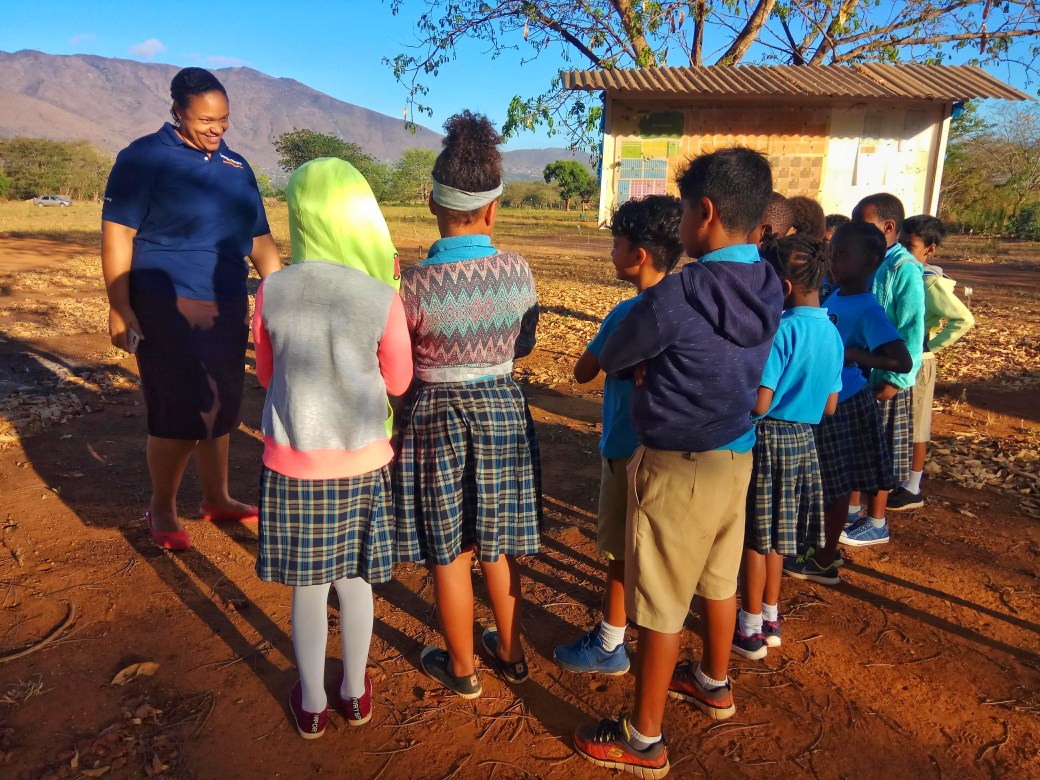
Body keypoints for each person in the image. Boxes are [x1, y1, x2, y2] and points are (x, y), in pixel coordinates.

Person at [572, 148, 782, 778]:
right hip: (735, 457)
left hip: (677, 465)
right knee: (719, 580)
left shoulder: (678, 296)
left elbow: (614, 355)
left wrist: (645, 360)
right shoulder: (768, 281)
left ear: (705, 213)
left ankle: (643, 738)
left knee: (660, 603)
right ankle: (714, 681)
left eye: (687, 210)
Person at [252, 158, 412, 739]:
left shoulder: (271, 290)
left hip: (294, 464)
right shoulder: (379, 295)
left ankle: (313, 703)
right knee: (357, 583)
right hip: (362, 464)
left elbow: (266, 374)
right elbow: (398, 382)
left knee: (309, 587)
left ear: (298, 216)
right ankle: (356, 694)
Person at [101, 67, 281, 551]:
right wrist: (119, 306)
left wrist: (282, 295)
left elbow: (259, 241)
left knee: (221, 404)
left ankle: (216, 497)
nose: (217, 129)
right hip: (166, 302)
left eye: (224, 119)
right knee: (178, 410)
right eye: (205, 120)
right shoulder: (143, 157)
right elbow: (118, 234)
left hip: (226, 303)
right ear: (177, 111)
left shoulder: (237, 167)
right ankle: (162, 507)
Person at [394, 111, 541, 699]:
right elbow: (524, 344)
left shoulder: (412, 283)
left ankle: (462, 668)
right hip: (503, 410)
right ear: (493, 209)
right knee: (496, 542)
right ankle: (511, 653)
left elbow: (400, 367)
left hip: (435, 418)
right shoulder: (517, 271)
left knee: (449, 548)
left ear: (432, 202)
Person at [553, 195, 683, 676]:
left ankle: (611, 642)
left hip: (626, 451)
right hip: (675, 453)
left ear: (639, 255)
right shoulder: (689, 312)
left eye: (616, 244)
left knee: (619, 552)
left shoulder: (626, 315)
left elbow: (583, 372)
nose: (611, 252)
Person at [733, 235, 843, 659]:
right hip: (803, 442)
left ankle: (749, 628)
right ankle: (771, 618)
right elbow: (830, 405)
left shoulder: (781, 331)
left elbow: (761, 403)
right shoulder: (832, 333)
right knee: (779, 536)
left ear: (782, 287)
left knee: (754, 538)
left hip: (767, 440)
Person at [784, 222, 912, 584]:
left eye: (841, 254)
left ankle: (825, 559)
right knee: (825, 481)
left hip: (845, 402)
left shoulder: (868, 308)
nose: (833, 260)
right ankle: (818, 547)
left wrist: (852, 353)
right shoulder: (837, 294)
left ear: (870, 260)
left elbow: (901, 360)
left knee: (836, 485)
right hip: (827, 398)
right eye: (831, 253)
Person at [845, 194, 925, 545]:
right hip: (860, 377)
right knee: (857, 445)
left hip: (885, 380)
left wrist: (896, 379)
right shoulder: (871, 262)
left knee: (882, 451)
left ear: (888, 227)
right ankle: (850, 511)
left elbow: (912, 329)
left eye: (861, 225)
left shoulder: (903, 269)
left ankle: (876, 521)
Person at [888, 215, 975, 510]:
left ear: (930, 249)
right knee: (902, 421)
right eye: (900, 244)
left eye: (910, 246)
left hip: (919, 361)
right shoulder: (902, 272)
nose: (903, 250)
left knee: (917, 424)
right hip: (902, 358)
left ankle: (913, 487)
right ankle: (900, 479)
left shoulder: (930, 282)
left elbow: (963, 319)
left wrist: (932, 346)